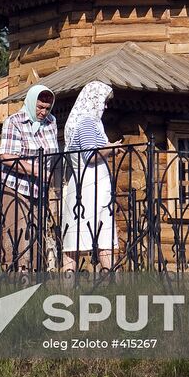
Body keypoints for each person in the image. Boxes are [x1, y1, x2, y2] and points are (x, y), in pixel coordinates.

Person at [0, 83, 58, 272]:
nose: (43, 112)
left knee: (35, 238)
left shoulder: (51, 122)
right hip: (13, 187)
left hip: (37, 189)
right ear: (31, 102)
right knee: (16, 237)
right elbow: (6, 157)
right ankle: (15, 281)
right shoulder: (15, 121)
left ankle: (32, 282)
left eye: (47, 108)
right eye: (40, 107)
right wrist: (35, 170)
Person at [61, 81, 122, 272]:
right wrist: (110, 148)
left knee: (104, 235)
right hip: (87, 185)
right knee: (76, 237)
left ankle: (111, 281)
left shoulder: (90, 122)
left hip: (95, 185)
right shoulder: (86, 122)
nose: (104, 106)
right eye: (103, 101)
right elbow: (90, 155)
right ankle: (69, 285)